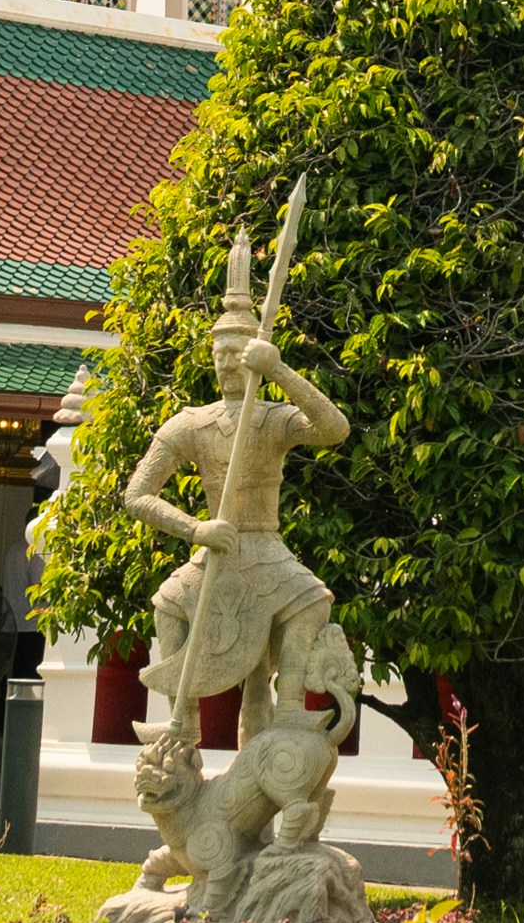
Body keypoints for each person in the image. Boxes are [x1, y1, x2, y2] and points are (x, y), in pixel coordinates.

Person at [113, 217, 348, 751]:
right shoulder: (191, 424)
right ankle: (182, 722)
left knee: (311, 601)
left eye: (236, 358)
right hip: (216, 547)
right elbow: (137, 495)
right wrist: (195, 529)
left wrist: (281, 372)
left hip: (265, 546)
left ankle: (288, 711)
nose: (225, 367)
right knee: (167, 604)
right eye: (218, 357)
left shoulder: (271, 419)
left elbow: (334, 429)